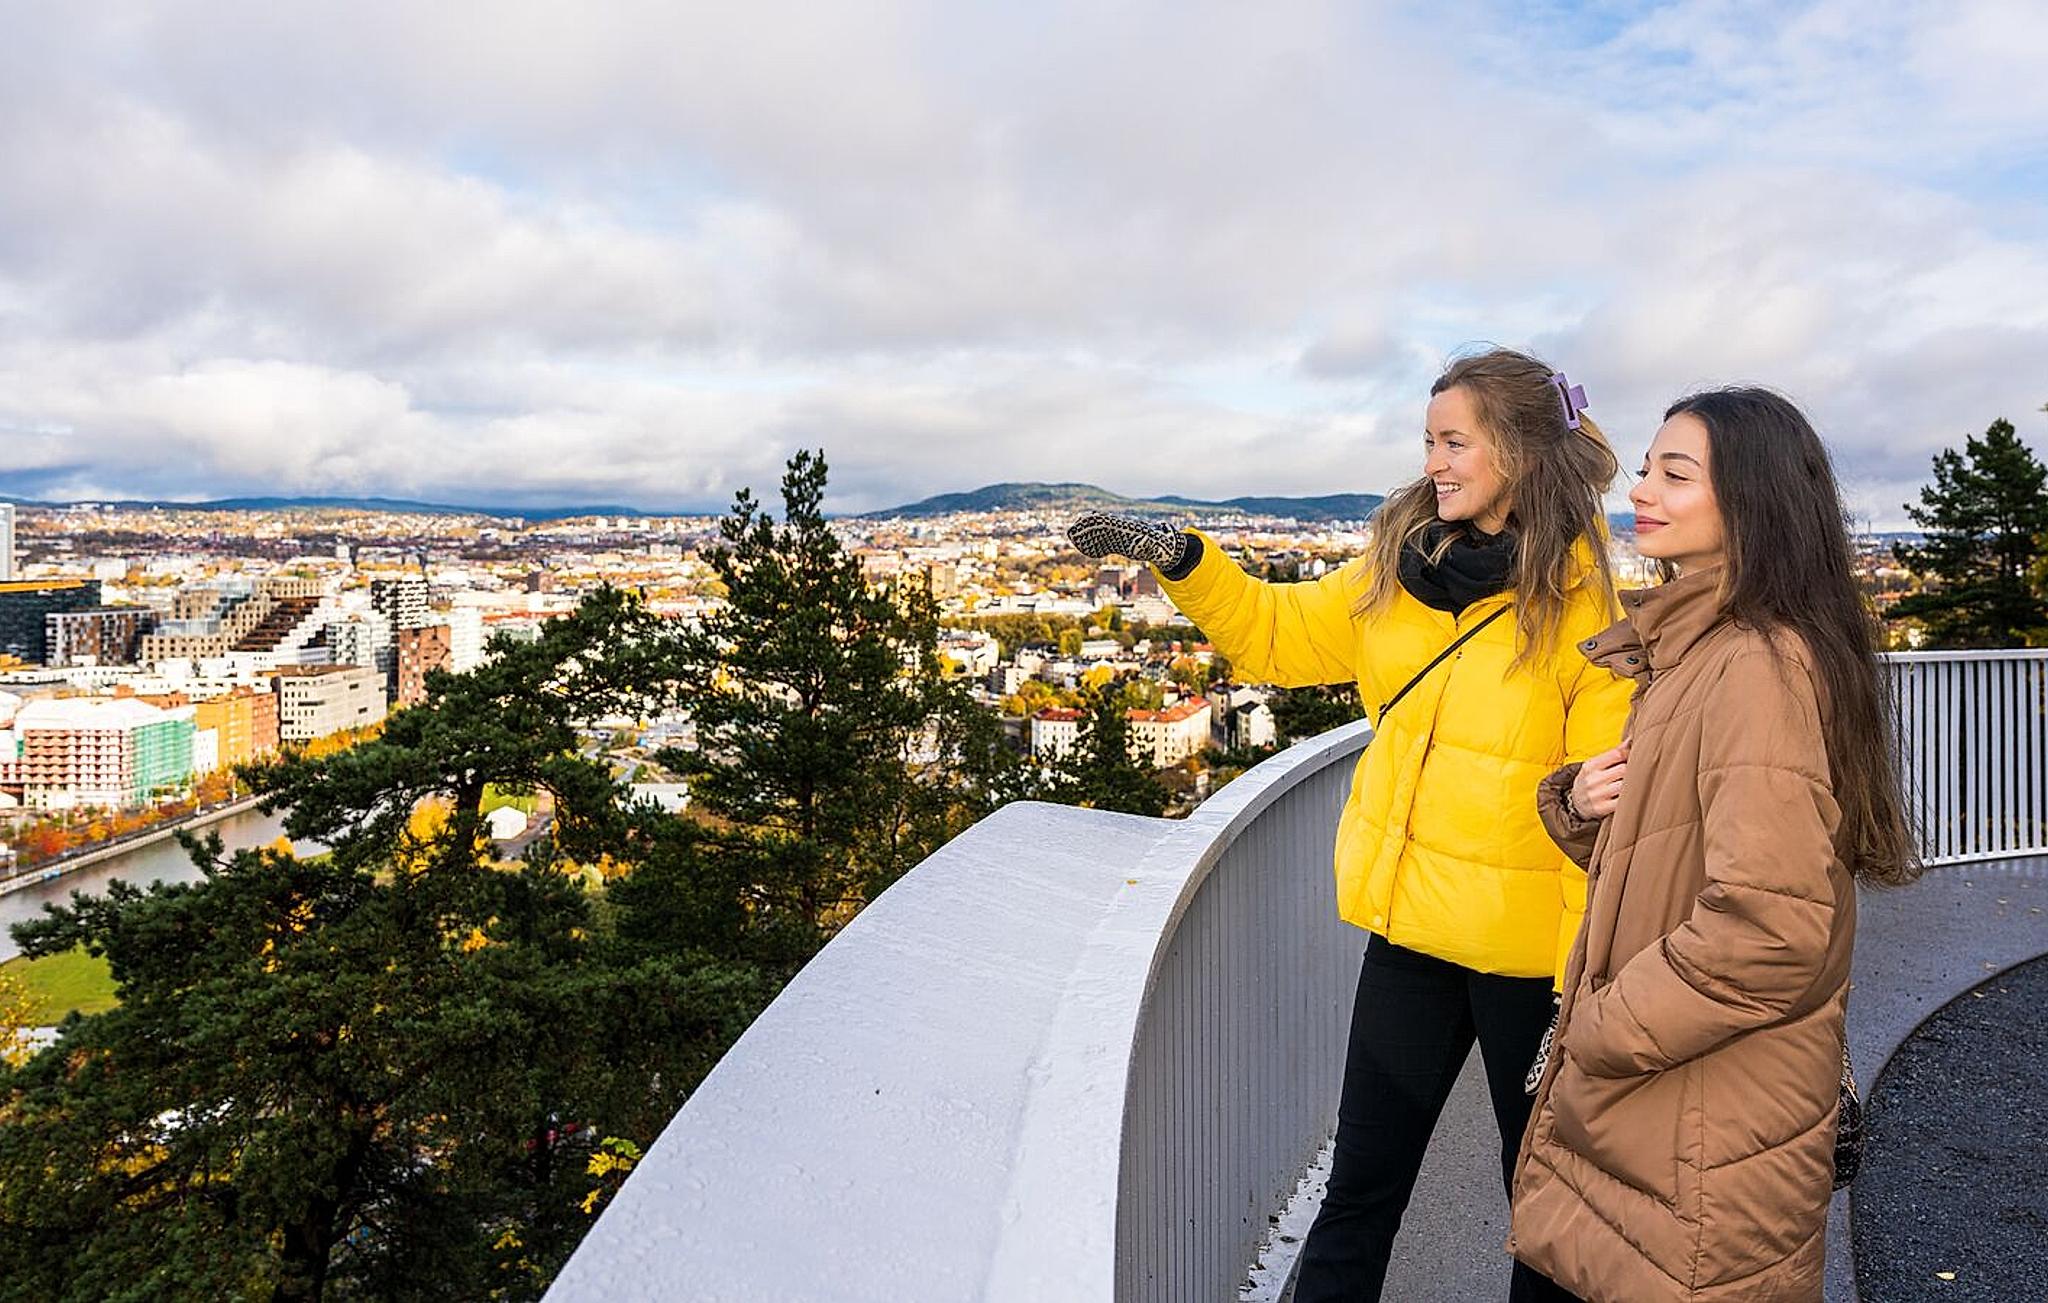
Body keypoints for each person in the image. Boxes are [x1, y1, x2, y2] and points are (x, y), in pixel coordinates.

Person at [1068, 347, 1629, 1302]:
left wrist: (1583, 995)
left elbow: (1596, 827)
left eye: (1456, 441)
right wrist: (1185, 559)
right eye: (1429, 440)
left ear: (1525, 454)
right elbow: (1276, 636)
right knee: (1357, 1196)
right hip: (1412, 936)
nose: (1434, 461)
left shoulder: (1584, 610)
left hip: (1534, 964)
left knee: (1542, 1217)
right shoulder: (1395, 571)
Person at [1508, 388, 1919, 1302]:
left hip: (1697, 1118)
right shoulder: (1705, 648)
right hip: (1686, 1111)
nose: (1642, 488)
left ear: (1752, 500)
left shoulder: (1752, 666)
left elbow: (1770, 925)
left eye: (1673, 472)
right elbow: (1686, 857)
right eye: (1648, 466)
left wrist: (1600, 1027)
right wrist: (1580, 804)